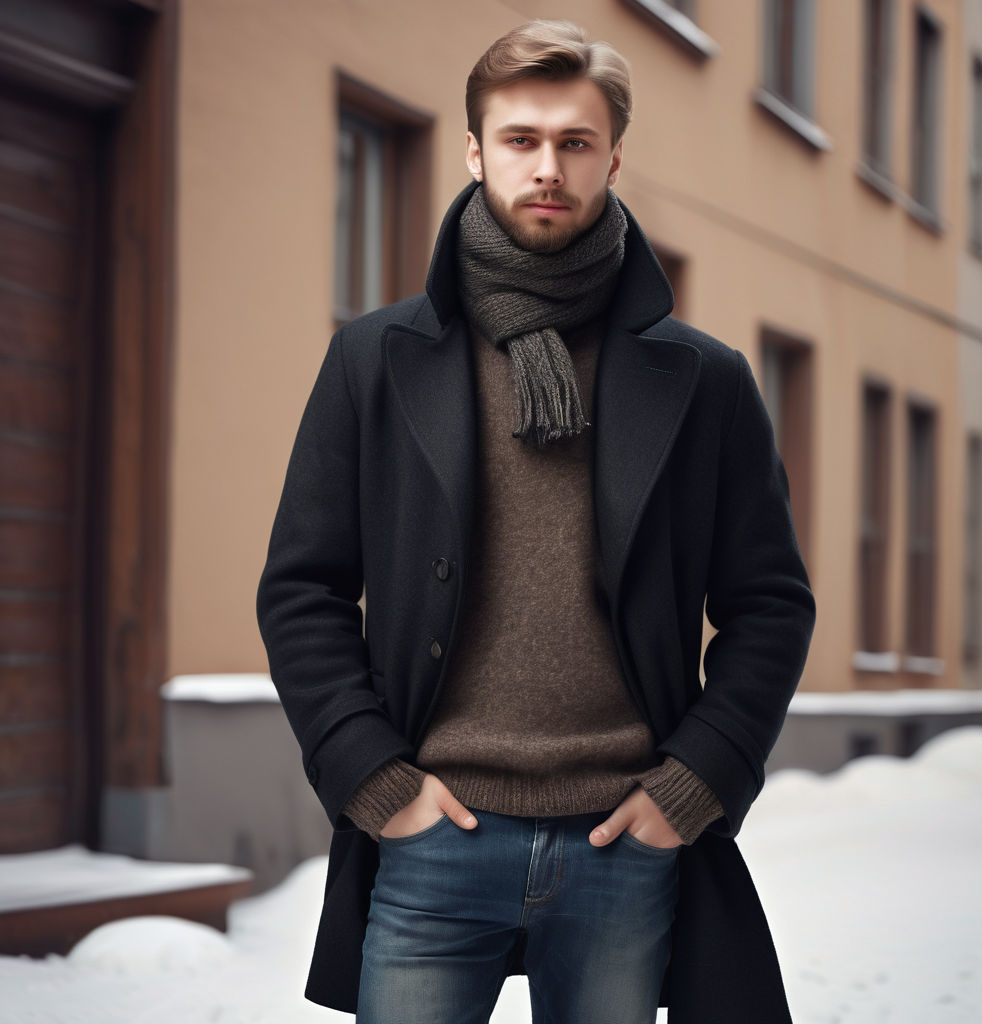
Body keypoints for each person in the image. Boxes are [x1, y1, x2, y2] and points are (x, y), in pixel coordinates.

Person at [257, 18, 814, 1024]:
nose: (546, 166)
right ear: (474, 151)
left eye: (573, 141)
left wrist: (690, 787)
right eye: (519, 139)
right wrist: (378, 783)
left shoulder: (705, 380)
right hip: (431, 835)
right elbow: (302, 587)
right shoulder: (376, 360)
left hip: (624, 842)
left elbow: (770, 604)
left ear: (611, 156)